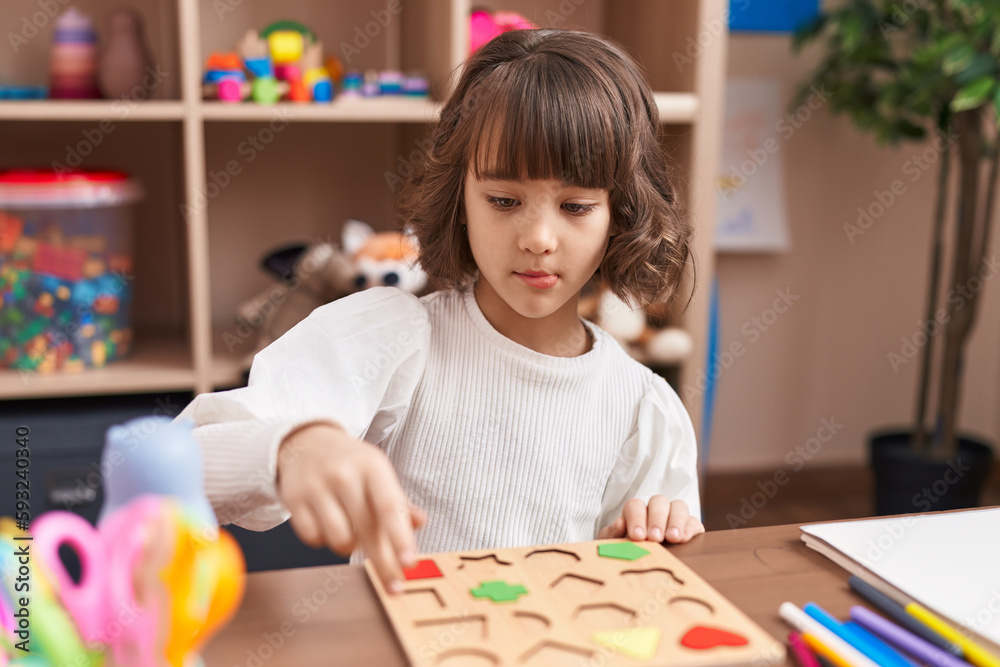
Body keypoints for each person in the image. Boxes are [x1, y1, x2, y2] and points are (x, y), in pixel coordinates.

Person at [176, 28, 704, 594]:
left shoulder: (644, 409)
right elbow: (174, 463)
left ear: (620, 215)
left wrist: (643, 539)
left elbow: (649, 593)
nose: (539, 238)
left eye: (576, 206)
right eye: (504, 201)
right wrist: (292, 448)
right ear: (460, 199)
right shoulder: (397, 338)